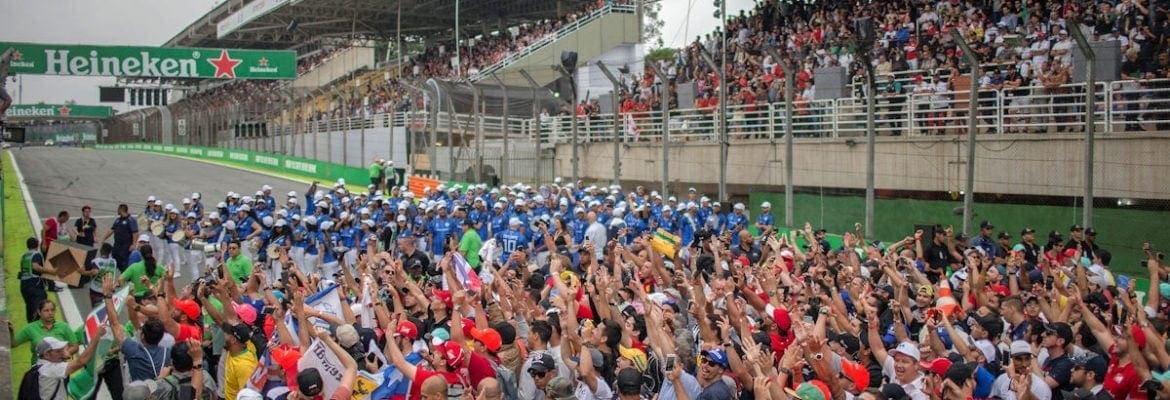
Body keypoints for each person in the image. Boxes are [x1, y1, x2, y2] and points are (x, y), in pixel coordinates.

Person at [31, 331, 104, 400]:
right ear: (47, 354)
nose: (61, 353)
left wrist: (64, 354)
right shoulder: (50, 369)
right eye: (58, 351)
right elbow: (81, 362)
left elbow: (69, 357)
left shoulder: (40, 365)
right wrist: (96, 337)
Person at [12, 299, 79, 363]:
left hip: (60, 367)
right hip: (39, 368)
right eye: (46, 310)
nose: (50, 313)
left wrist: (62, 354)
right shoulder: (30, 328)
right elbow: (14, 344)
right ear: (39, 312)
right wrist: (11, 332)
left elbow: (75, 346)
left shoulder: (64, 326)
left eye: (52, 310)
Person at [18, 237, 55, 322]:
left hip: (24, 286)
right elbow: (35, 267)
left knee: (29, 307)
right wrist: (52, 271)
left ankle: (31, 326)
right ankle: (40, 327)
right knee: (40, 308)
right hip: (35, 286)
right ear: (37, 245)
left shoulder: (24, 256)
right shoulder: (36, 254)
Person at [103, 204, 140, 271]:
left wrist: (133, 244)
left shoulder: (131, 220)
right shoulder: (118, 220)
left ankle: (124, 277)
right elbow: (112, 230)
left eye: (118, 209)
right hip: (117, 245)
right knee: (113, 261)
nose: (117, 210)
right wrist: (104, 238)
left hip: (125, 246)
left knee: (123, 264)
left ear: (121, 209)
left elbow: (135, 233)